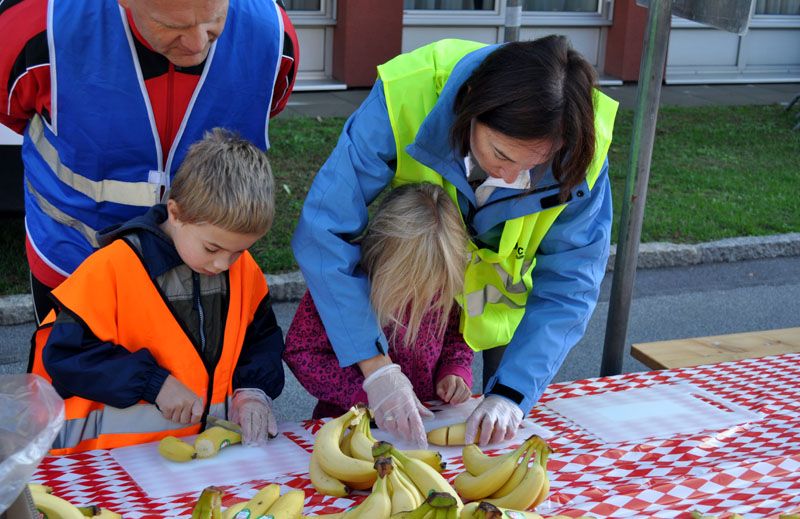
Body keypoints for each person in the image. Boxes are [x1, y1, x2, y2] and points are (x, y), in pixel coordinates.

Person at [292, 35, 619, 447]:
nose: (509, 179)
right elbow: (325, 229)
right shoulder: (406, 94)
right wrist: (375, 369)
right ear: (469, 107)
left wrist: (512, 392)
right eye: (500, 153)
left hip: (486, 321)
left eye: (535, 166)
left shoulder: (584, 147)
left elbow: (571, 284)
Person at [0, 0, 299, 324]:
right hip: (75, 265)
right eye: (173, 27)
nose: (197, 44)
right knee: (70, 371)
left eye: (214, 21)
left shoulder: (274, 33)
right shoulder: (38, 22)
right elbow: (11, 111)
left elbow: (269, 105)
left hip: (198, 275)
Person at [29, 129, 285, 455]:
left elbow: (260, 338)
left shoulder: (243, 269)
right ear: (175, 214)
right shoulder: (113, 268)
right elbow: (65, 357)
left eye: (239, 251)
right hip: (104, 467)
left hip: (200, 461)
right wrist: (153, 383)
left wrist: (254, 389)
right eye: (212, 247)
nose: (224, 263)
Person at [284, 183, 475, 437]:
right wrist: (365, 390)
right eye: (405, 282)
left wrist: (454, 371)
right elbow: (302, 352)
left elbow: (457, 334)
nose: (417, 295)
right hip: (349, 427)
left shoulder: (442, 284)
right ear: (380, 255)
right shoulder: (342, 288)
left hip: (425, 422)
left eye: (429, 286)